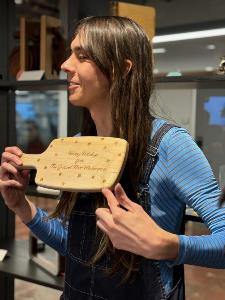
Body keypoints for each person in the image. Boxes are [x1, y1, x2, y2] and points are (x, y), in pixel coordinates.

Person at [1, 16, 225, 300]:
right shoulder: (81, 148)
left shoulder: (171, 145)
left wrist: (170, 246)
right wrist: (22, 207)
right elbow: (78, 247)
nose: (65, 65)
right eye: (70, 53)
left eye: (82, 56)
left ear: (121, 69)